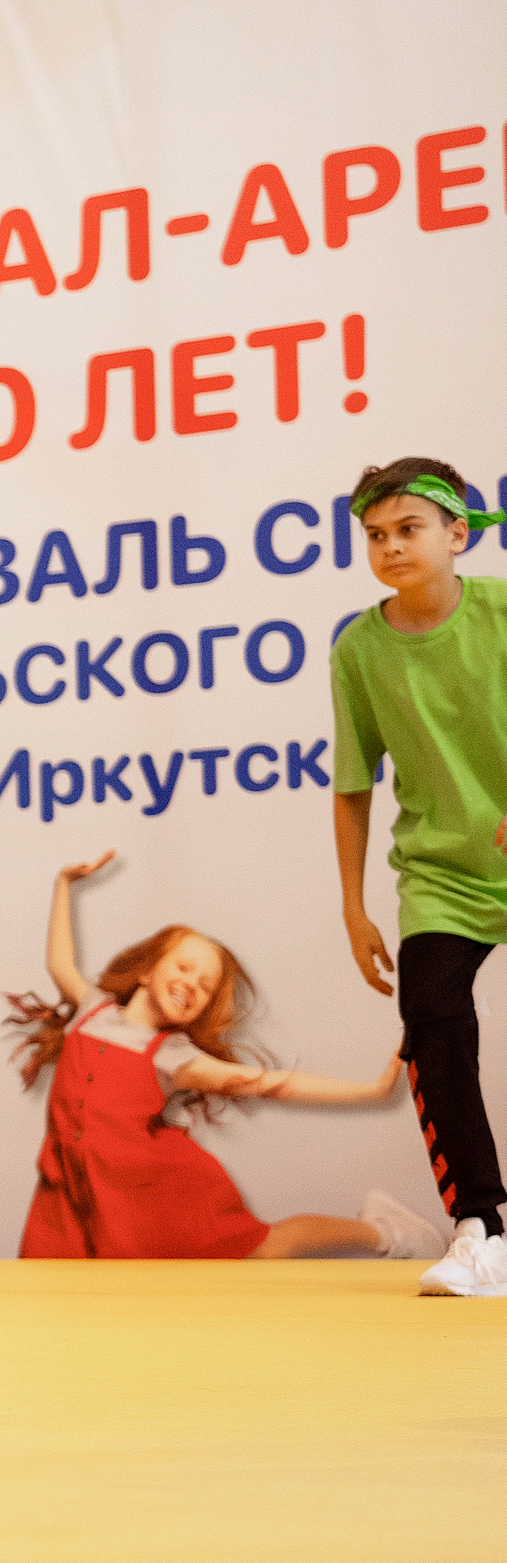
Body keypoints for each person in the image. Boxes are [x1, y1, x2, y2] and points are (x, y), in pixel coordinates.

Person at [10, 851, 440, 1261]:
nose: (191, 984)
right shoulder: (92, 1010)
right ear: (146, 970)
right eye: (183, 967)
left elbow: (270, 1084)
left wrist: (372, 1090)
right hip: (69, 1192)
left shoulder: (173, 1056)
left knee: (263, 1248)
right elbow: (59, 962)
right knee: (55, 1287)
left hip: (148, 1194)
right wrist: (63, 883)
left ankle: (386, 1232)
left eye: (205, 986)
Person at [330, 457, 507, 1297]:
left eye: (408, 529)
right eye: (375, 535)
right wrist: (353, 906)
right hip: (442, 876)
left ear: (457, 533)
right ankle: (484, 1227)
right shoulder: (359, 649)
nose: (391, 546)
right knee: (432, 1017)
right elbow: (352, 783)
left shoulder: (500, 613)